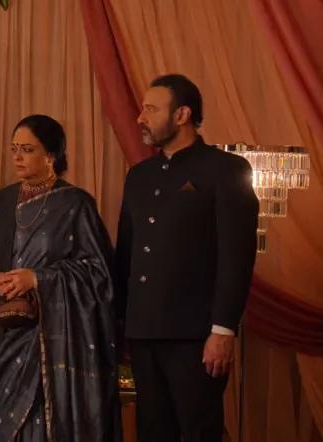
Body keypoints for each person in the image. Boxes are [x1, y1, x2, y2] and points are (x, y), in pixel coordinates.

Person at [116, 74, 258, 442]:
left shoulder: (226, 169)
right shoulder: (139, 176)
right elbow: (126, 255)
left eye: (151, 109)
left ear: (182, 115)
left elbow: (236, 258)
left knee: (199, 432)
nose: (140, 118)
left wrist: (223, 331)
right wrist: (120, 325)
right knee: (152, 432)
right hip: (143, 332)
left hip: (197, 336)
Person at [0, 115, 121, 441]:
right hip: (6, 334)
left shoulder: (75, 204)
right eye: (14, 149)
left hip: (56, 339)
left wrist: (37, 279)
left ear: (50, 156)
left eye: (27, 150)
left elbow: (99, 273)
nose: (17, 157)